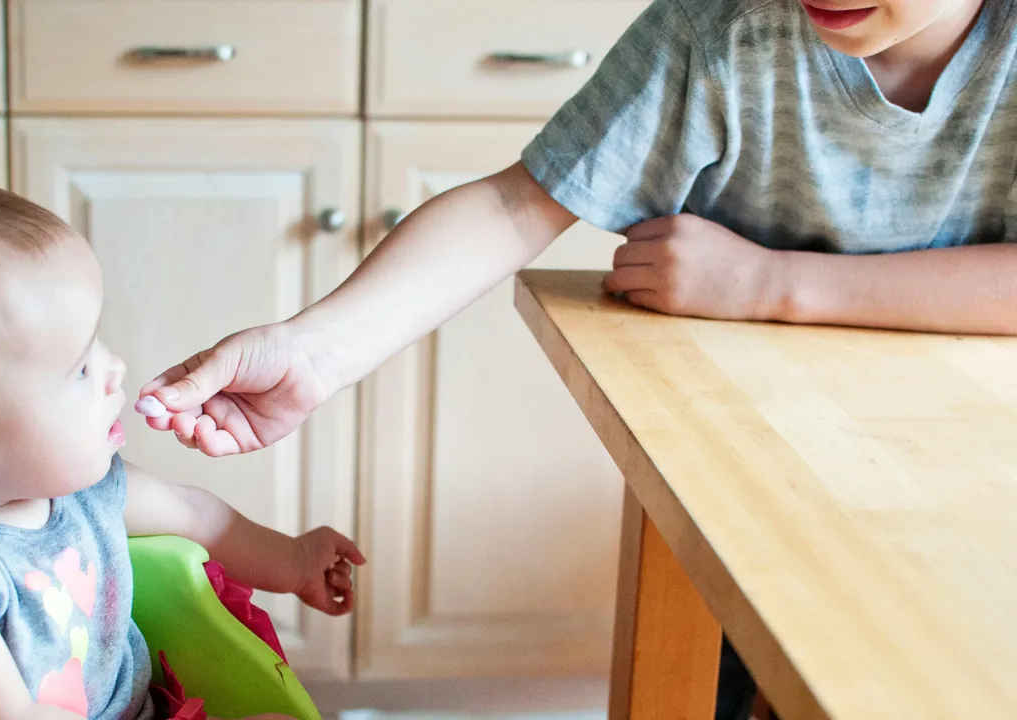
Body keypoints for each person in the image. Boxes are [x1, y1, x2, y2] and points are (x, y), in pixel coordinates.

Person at [134, 1, 1016, 717]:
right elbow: (521, 205)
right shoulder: (720, 29)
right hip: (746, 475)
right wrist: (317, 352)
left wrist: (771, 283)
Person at [0, 170, 365, 720]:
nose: (115, 368)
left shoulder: (66, 481)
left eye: (96, 344)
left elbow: (195, 514)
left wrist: (295, 561)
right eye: (79, 370)